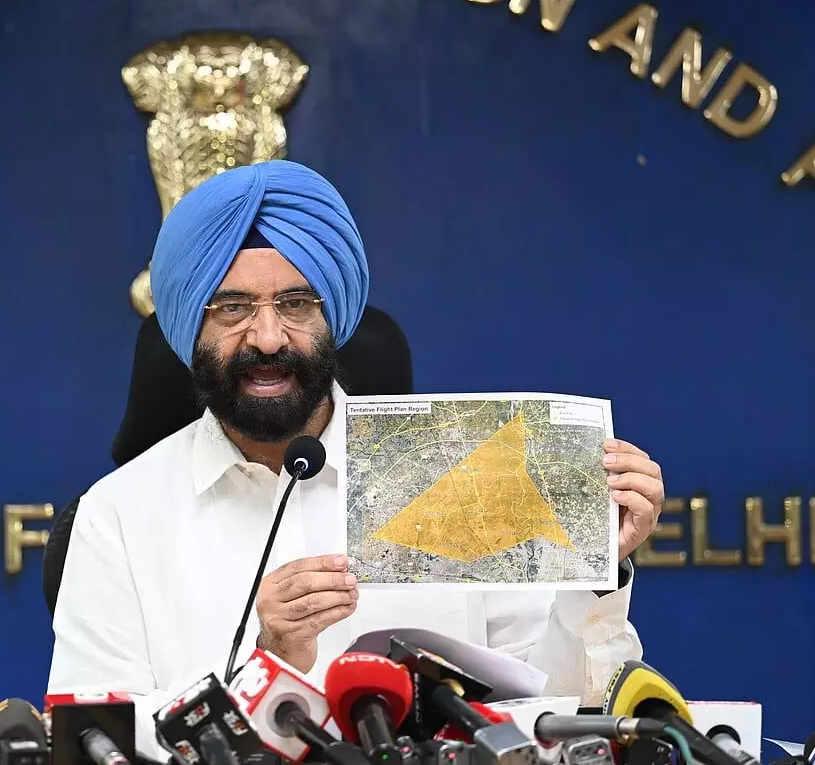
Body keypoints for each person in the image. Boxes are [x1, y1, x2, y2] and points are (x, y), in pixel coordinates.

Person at [47, 160, 666, 758]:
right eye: (232, 308)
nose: (268, 338)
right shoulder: (117, 516)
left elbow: (550, 712)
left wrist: (597, 573)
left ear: (332, 316)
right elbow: (98, 741)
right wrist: (268, 667)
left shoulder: (462, 473)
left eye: (296, 303)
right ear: (191, 327)